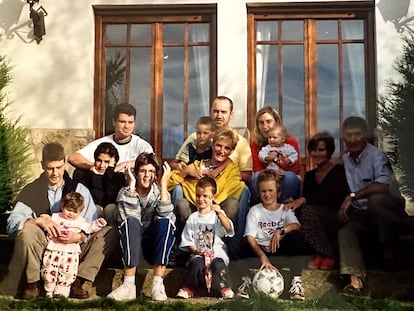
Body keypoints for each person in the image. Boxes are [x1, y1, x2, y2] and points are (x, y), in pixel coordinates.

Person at [3, 142, 117, 299]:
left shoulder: (79, 189)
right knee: (28, 228)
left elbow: (92, 223)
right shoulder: (31, 190)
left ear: (65, 163)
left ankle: (78, 282)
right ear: (43, 165)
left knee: (110, 232)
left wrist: (80, 236)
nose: (55, 173)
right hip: (46, 249)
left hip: (74, 250)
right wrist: (38, 221)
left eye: (59, 167)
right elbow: (11, 224)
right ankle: (34, 284)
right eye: (50, 168)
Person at [338, 116, 406, 294]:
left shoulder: (377, 155)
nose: (353, 139)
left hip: (387, 212)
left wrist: (352, 196)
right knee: (346, 233)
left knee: (376, 200)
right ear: (343, 137)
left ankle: (387, 248)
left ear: (366, 136)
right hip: (362, 216)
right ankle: (355, 282)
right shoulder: (345, 160)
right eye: (349, 135)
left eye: (357, 135)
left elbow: (384, 185)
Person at [168, 128, 250, 259]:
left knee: (233, 202)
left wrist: (214, 177)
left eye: (227, 148)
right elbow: (169, 183)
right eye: (218, 145)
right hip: (196, 211)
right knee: (182, 203)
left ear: (231, 151)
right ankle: (183, 249)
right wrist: (187, 172)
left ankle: (230, 247)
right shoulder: (197, 165)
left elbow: (232, 187)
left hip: (217, 211)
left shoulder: (232, 168)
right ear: (212, 145)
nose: (221, 151)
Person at [107, 153, 175, 302]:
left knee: (166, 223)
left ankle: (157, 284)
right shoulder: (125, 192)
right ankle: (128, 285)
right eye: (143, 171)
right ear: (136, 173)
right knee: (131, 222)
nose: (147, 176)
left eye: (151, 171)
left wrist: (164, 184)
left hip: (152, 247)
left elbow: (165, 216)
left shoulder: (160, 193)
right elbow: (131, 219)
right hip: (131, 246)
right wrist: (131, 185)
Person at [283, 132, 349, 270]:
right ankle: (319, 254)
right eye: (314, 150)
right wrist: (294, 201)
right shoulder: (310, 175)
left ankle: (329, 255)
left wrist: (303, 200)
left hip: (335, 216)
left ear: (329, 151)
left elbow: (332, 197)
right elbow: (308, 197)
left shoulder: (338, 171)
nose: (317, 154)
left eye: (321, 150)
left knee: (306, 210)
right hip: (313, 217)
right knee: (296, 211)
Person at [242, 169, 311, 300]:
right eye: (263, 191)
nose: (267, 194)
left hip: (279, 252)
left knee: (297, 236)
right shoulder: (254, 211)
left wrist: (281, 231)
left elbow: (296, 225)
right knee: (241, 242)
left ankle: (296, 282)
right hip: (260, 254)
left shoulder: (284, 209)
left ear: (278, 192)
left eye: (270, 191)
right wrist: (262, 257)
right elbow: (250, 237)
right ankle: (246, 282)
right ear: (259, 192)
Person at [176, 177, 235, 299]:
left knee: (218, 265)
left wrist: (220, 213)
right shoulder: (193, 218)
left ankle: (225, 288)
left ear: (213, 197)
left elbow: (229, 229)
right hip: (199, 254)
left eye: (205, 196)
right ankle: (188, 288)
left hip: (216, 254)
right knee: (196, 264)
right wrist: (195, 250)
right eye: (198, 195)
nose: (201, 199)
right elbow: (188, 240)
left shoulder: (217, 216)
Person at [41, 192, 107, 298]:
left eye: (75, 212)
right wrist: (44, 218)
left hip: (70, 252)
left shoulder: (80, 221)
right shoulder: (55, 217)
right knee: (49, 269)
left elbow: (90, 227)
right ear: (62, 206)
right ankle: (48, 290)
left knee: (67, 271)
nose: (71, 214)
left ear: (80, 211)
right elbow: (46, 222)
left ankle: (61, 292)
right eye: (69, 210)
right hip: (54, 249)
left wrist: (99, 223)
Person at [173, 96, 252, 182]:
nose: (219, 115)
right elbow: (174, 164)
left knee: (244, 189)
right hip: (195, 185)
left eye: (223, 112)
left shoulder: (241, 142)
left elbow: (247, 174)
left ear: (231, 115)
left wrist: (221, 174)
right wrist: (183, 168)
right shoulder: (196, 137)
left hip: (227, 187)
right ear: (210, 112)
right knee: (178, 189)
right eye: (216, 111)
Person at [68, 103, 153, 172]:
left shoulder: (141, 145)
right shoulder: (103, 142)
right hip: (106, 187)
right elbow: (73, 158)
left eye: (130, 122)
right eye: (122, 122)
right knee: (79, 173)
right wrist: (96, 167)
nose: (126, 126)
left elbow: (151, 163)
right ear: (114, 122)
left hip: (130, 189)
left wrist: (125, 164)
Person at [248, 106, 301, 206]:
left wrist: (277, 159)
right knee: (255, 178)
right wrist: (271, 173)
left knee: (290, 177)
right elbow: (257, 168)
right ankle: (261, 210)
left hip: (284, 175)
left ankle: (284, 211)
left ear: (276, 122)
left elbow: (296, 167)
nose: (265, 126)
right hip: (266, 177)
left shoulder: (289, 141)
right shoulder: (255, 144)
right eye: (261, 122)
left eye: (268, 121)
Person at [73, 142, 126, 224]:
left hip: (111, 216)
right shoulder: (85, 176)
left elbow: (111, 196)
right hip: (92, 217)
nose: (102, 165)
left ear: (113, 162)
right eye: (99, 160)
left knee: (110, 208)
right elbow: (97, 198)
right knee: (96, 208)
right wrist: (96, 176)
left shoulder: (118, 177)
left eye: (107, 162)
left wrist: (110, 171)